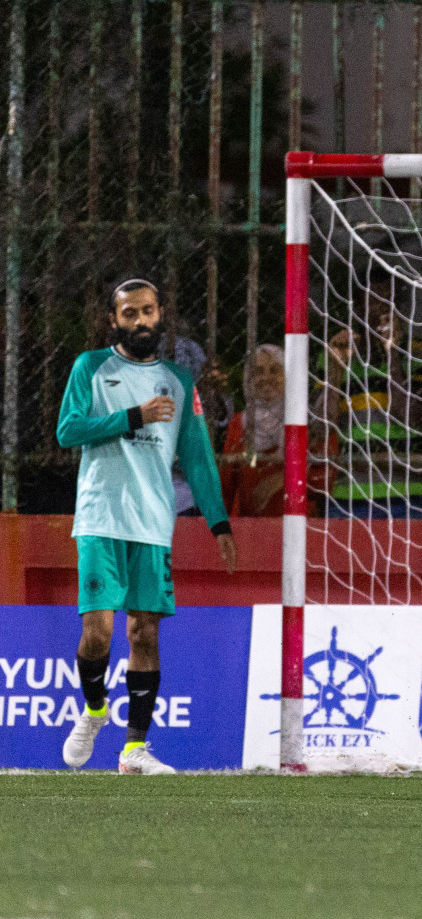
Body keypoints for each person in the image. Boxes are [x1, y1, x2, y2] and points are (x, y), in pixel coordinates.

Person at [58, 279, 238, 774]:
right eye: (130, 313)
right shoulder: (90, 367)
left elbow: (198, 458)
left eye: (148, 312)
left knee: (144, 634)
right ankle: (95, 711)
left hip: (154, 522)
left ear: (161, 315)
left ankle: (134, 749)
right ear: (113, 319)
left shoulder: (180, 381)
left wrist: (218, 522)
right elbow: (68, 429)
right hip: (99, 515)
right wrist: (132, 417)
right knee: (97, 634)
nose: (141, 321)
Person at [321, 286, 422, 519]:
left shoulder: (420, 352)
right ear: (358, 309)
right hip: (348, 494)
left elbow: (409, 415)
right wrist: (335, 371)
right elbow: (322, 426)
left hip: (407, 492)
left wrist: (392, 352)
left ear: (400, 310)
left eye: (387, 303)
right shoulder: (337, 352)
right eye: (373, 302)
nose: (380, 311)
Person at [222, 343, 286, 517]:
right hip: (249, 523)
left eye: (274, 370)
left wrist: (283, 478)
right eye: (258, 372)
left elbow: (319, 476)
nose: (266, 377)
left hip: (297, 522)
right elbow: (227, 483)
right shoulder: (238, 422)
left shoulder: (301, 419)